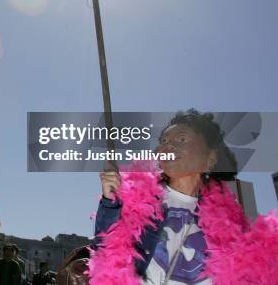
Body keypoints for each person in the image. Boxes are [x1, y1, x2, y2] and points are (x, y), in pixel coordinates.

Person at [89, 109, 277, 284]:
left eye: (181, 139)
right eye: (163, 141)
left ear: (210, 159)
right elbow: (106, 249)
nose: (168, 146)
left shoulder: (231, 219)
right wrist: (110, 202)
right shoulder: (136, 198)